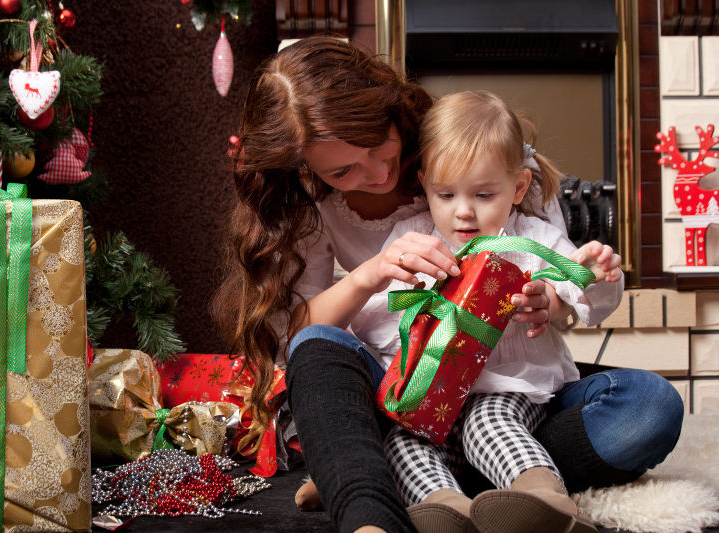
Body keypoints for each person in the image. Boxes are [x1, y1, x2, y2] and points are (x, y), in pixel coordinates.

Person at [211, 36, 684, 533]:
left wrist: (554, 304)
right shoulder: (315, 204)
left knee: (648, 406)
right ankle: (384, 507)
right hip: (409, 387)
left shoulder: (472, 143)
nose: (376, 174)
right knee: (319, 348)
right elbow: (304, 337)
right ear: (309, 168)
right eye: (343, 170)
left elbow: (566, 286)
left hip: (506, 383)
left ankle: (389, 474)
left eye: (378, 145)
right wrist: (373, 273)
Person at [362, 90, 621, 533]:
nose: (463, 211)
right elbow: (370, 320)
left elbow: (587, 298)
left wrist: (574, 289)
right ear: (424, 184)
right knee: (402, 445)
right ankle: (448, 511)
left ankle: (546, 503)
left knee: (488, 423)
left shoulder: (533, 240)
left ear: (518, 187)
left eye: (484, 194)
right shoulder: (413, 239)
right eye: (445, 194)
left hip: (508, 387)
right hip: (432, 399)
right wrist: (413, 306)